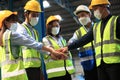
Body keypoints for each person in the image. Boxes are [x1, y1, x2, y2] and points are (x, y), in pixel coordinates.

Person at [59, 0, 120, 80]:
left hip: (115, 64)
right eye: (93, 9)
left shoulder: (116, 21)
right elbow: (84, 39)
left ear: (104, 6)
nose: (95, 11)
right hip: (100, 65)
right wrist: (68, 47)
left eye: (95, 9)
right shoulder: (96, 26)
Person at [0, 10, 66, 80]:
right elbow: (33, 44)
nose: (16, 23)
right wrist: (51, 50)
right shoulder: (12, 35)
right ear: (5, 22)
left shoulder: (2, 38)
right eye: (13, 21)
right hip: (19, 75)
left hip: (6, 76)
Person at [16, 0, 45, 80]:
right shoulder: (21, 29)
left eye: (37, 15)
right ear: (26, 14)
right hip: (26, 67)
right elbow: (34, 44)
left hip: (36, 67)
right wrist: (51, 51)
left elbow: (38, 50)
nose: (36, 17)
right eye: (33, 15)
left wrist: (40, 69)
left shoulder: (35, 31)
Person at [68, 5, 98, 80]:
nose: (81, 18)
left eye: (82, 15)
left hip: (100, 63)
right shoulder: (78, 32)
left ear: (89, 14)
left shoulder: (98, 27)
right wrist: (69, 44)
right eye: (79, 17)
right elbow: (72, 41)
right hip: (87, 65)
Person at [42, 15, 75, 80]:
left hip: (67, 72)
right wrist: (61, 52)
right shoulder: (45, 40)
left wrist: (58, 51)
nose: (55, 28)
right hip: (55, 74)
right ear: (49, 27)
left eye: (57, 26)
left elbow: (67, 54)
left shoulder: (62, 40)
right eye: (53, 26)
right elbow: (53, 55)